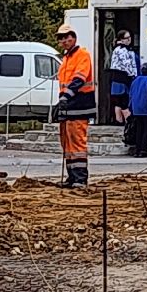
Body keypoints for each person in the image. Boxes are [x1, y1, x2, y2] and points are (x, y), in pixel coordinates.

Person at [53, 22, 96, 188]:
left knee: (77, 143)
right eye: (61, 38)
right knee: (67, 144)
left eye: (66, 37)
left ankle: (80, 178)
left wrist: (66, 96)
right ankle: (72, 177)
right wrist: (62, 101)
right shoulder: (65, 59)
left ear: (74, 38)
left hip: (80, 105)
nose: (64, 40)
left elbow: (79, 79)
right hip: (68, 106)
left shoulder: (82, 55)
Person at [126, 62, 147, 158]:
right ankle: (143, 150)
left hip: (136, 110)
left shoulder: (135, 81)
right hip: (146, 110)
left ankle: (137, 150)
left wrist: (131, 108)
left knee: (138, 130)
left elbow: (131, 96)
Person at [108, 31, 140, 125]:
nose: (129, 39)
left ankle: (119, 121)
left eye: (130, 37)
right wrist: (133, 76)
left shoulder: (120, 49)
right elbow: (127, 66)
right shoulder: (121, 50)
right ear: (121, 39)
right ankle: (129, 122)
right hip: (121, 78)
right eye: (127, 38)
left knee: (118, 101)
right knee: (123, 101)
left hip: (117, 78)